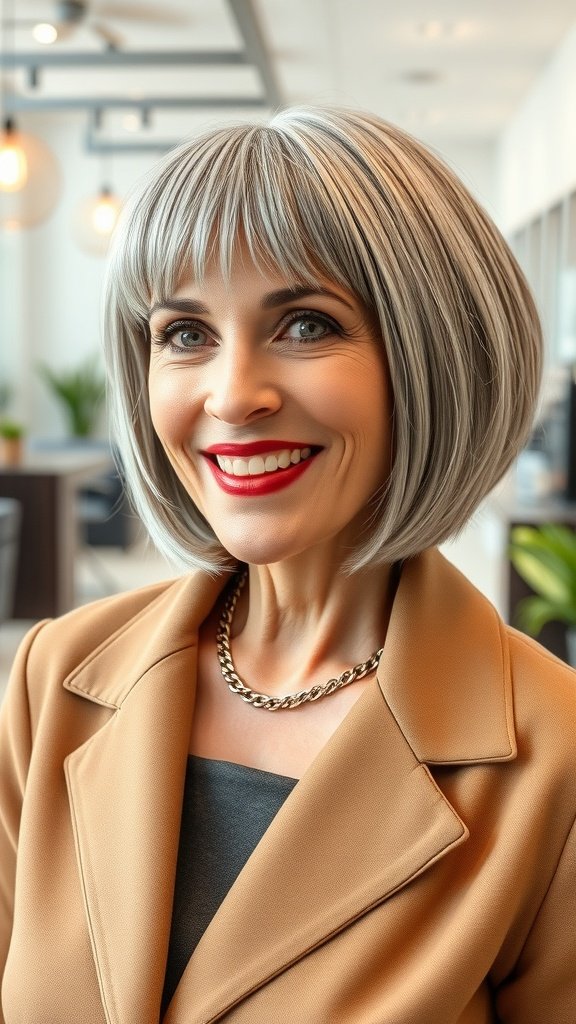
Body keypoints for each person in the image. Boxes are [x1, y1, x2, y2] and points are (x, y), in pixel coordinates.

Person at [0, 106, 574, 1024]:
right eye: (185, 333)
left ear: (432, 356)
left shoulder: (557, 762)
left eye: (306, 324)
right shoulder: (55, 678)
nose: (232, 396)